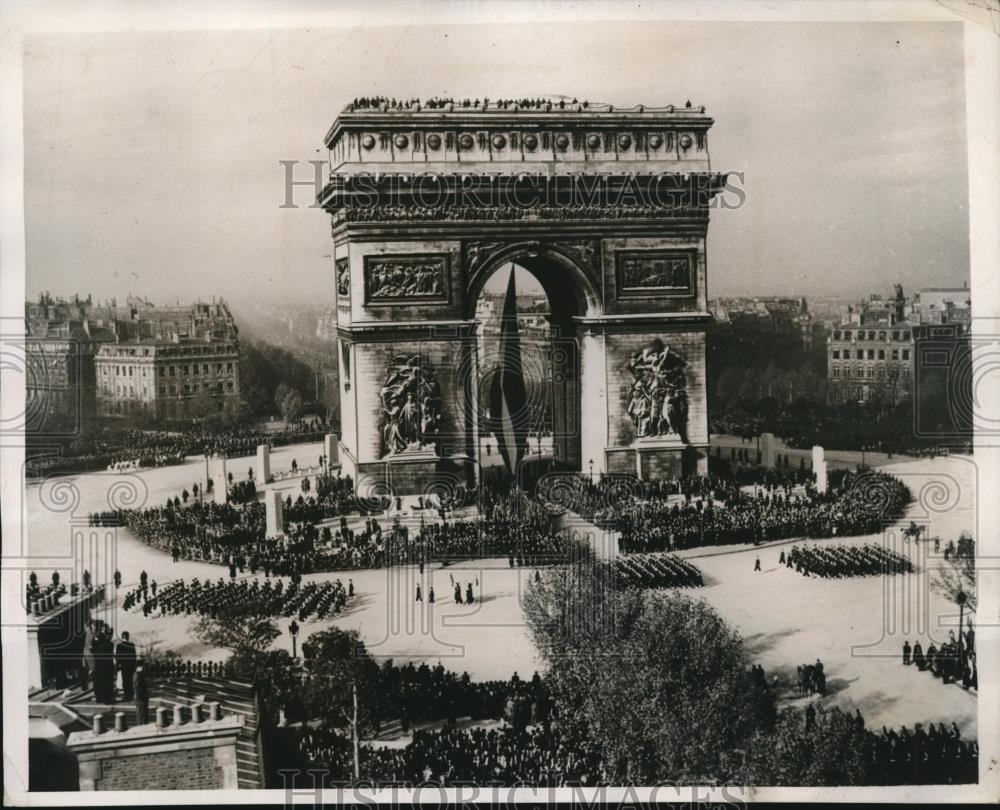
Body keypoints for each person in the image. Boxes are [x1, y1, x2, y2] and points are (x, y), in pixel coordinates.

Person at [116, 631, 138, 700]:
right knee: (130, 680)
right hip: (131, 665)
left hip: (124, 665)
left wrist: (118, 665)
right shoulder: (132, 645)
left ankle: (127, 695)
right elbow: (134, 656)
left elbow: (118, 657)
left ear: (122, 637)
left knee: (125, 680)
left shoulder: (119, 646)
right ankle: (131, 694)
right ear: (128, 637)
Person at [133, 660, 149, 725]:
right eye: (143, 666)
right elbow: (136, 687)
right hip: (140, 699)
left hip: (141, 698)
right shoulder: (137, 675)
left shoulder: (139, 674)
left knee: (143, 716)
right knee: (141, 717)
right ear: (141, 666)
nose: (145, 667)